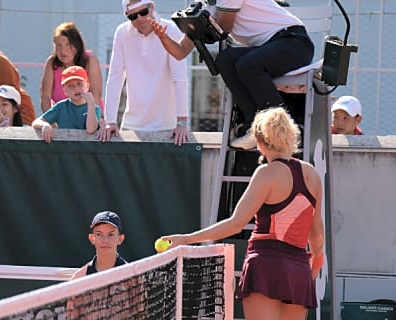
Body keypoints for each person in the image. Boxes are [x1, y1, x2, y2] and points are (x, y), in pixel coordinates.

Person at [159, 107, 325, 320]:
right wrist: (315, 263)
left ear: (260, 142)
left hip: (265, 265)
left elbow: (236, 224)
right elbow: (317, 232)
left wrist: (187, 239)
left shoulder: (266, 173)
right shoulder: (312, 174)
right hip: (299, 270)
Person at [151, 0, 313, 149]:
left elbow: (224, 28)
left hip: (294, 42)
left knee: (247, 64)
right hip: (267, 48)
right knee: (225, 60)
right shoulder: (203, 5)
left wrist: (202, 27)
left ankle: (283, 127)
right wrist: (163, 37)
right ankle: (254, 126)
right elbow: (180, 52)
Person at [98, 0, 190, 146]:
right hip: (131, 126)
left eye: (143, 12)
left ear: (152, 7)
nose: (139, 19)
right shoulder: (122, 33)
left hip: (169, 128)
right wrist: (110, 121)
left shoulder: (171, 29)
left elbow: (180, 78)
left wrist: (182, 123)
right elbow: (115, 77)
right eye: (133, 16)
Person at [40, 22, 104, 113]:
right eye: (58, 45)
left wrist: (89, 118)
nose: (62, 50)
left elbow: (96, 93)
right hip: (61, 120)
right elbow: (45, 97)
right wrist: (51, 120)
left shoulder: (90, 59)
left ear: (77, 45)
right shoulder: (51, 63)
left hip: (90, 117)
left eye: (68, 45)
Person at [32, 66, 100, 143]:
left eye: (79, 84)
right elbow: (36, 122)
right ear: (65, 91)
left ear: (87, 86)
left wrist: (91, 103)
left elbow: (91, 129)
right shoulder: (60, 107)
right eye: (70, 86)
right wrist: (45, 125)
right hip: (65, 149)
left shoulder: (94, 108)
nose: (76, 88)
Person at [71, 211, 127, 280]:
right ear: (92, 238)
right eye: (99, 234)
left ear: (120, 239)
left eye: (111, 234)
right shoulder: (79, 278)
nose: (105, 240)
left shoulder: (131, 275)